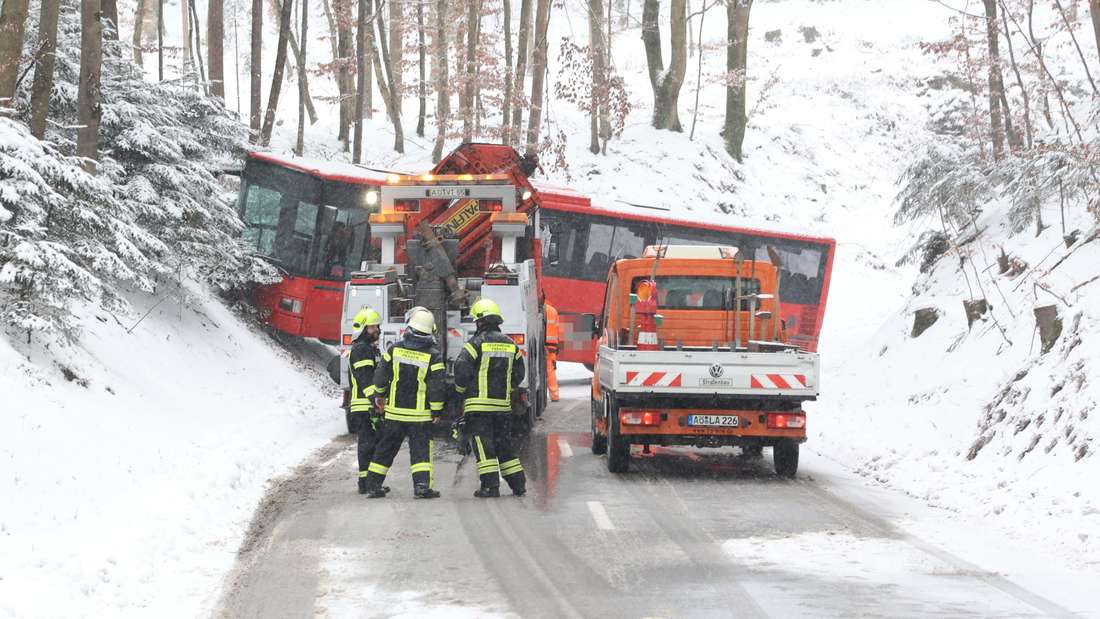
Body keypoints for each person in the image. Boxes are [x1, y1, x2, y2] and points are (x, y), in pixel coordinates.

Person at [361, 307, 446, 499]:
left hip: (395, 413)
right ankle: (422, 487)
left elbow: (380, 377)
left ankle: (373, 485)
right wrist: (437, 411)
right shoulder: (433, 356)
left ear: (410, 327)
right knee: (421, 452)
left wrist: (379, 397)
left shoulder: (394, 349)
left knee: (385, 448)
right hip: (420, 416)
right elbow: (437, 387)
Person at [454, 299, 527, 498]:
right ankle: (518, 484)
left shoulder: (474, 345)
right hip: (502, 407)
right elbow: (519, 374)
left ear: (479, 322)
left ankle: (490, 486)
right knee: (504, 446)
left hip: (478, 408)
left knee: (483, 445)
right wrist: (505, 387)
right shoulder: (511, 345)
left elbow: (461, 370)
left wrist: (461, 391)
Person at [348, 307, 384, 494]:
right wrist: (375, 400)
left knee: (372, 443)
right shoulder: (362, 349)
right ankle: (366, 483)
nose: (376, 330)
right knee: (368, 444)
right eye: (372, 327)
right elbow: (365, 378)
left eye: (376, 326)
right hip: (365, 405)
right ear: (362, 329)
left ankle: (368, 482)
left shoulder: (368, 349)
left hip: (367, 403)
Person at [544, 302, 561, 402]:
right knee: (550, 371)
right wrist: (557, 345)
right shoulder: (553, 310)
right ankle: (554, 395)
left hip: (542, 343)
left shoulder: (539, 310)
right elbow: (557, 329)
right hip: (552, 346)